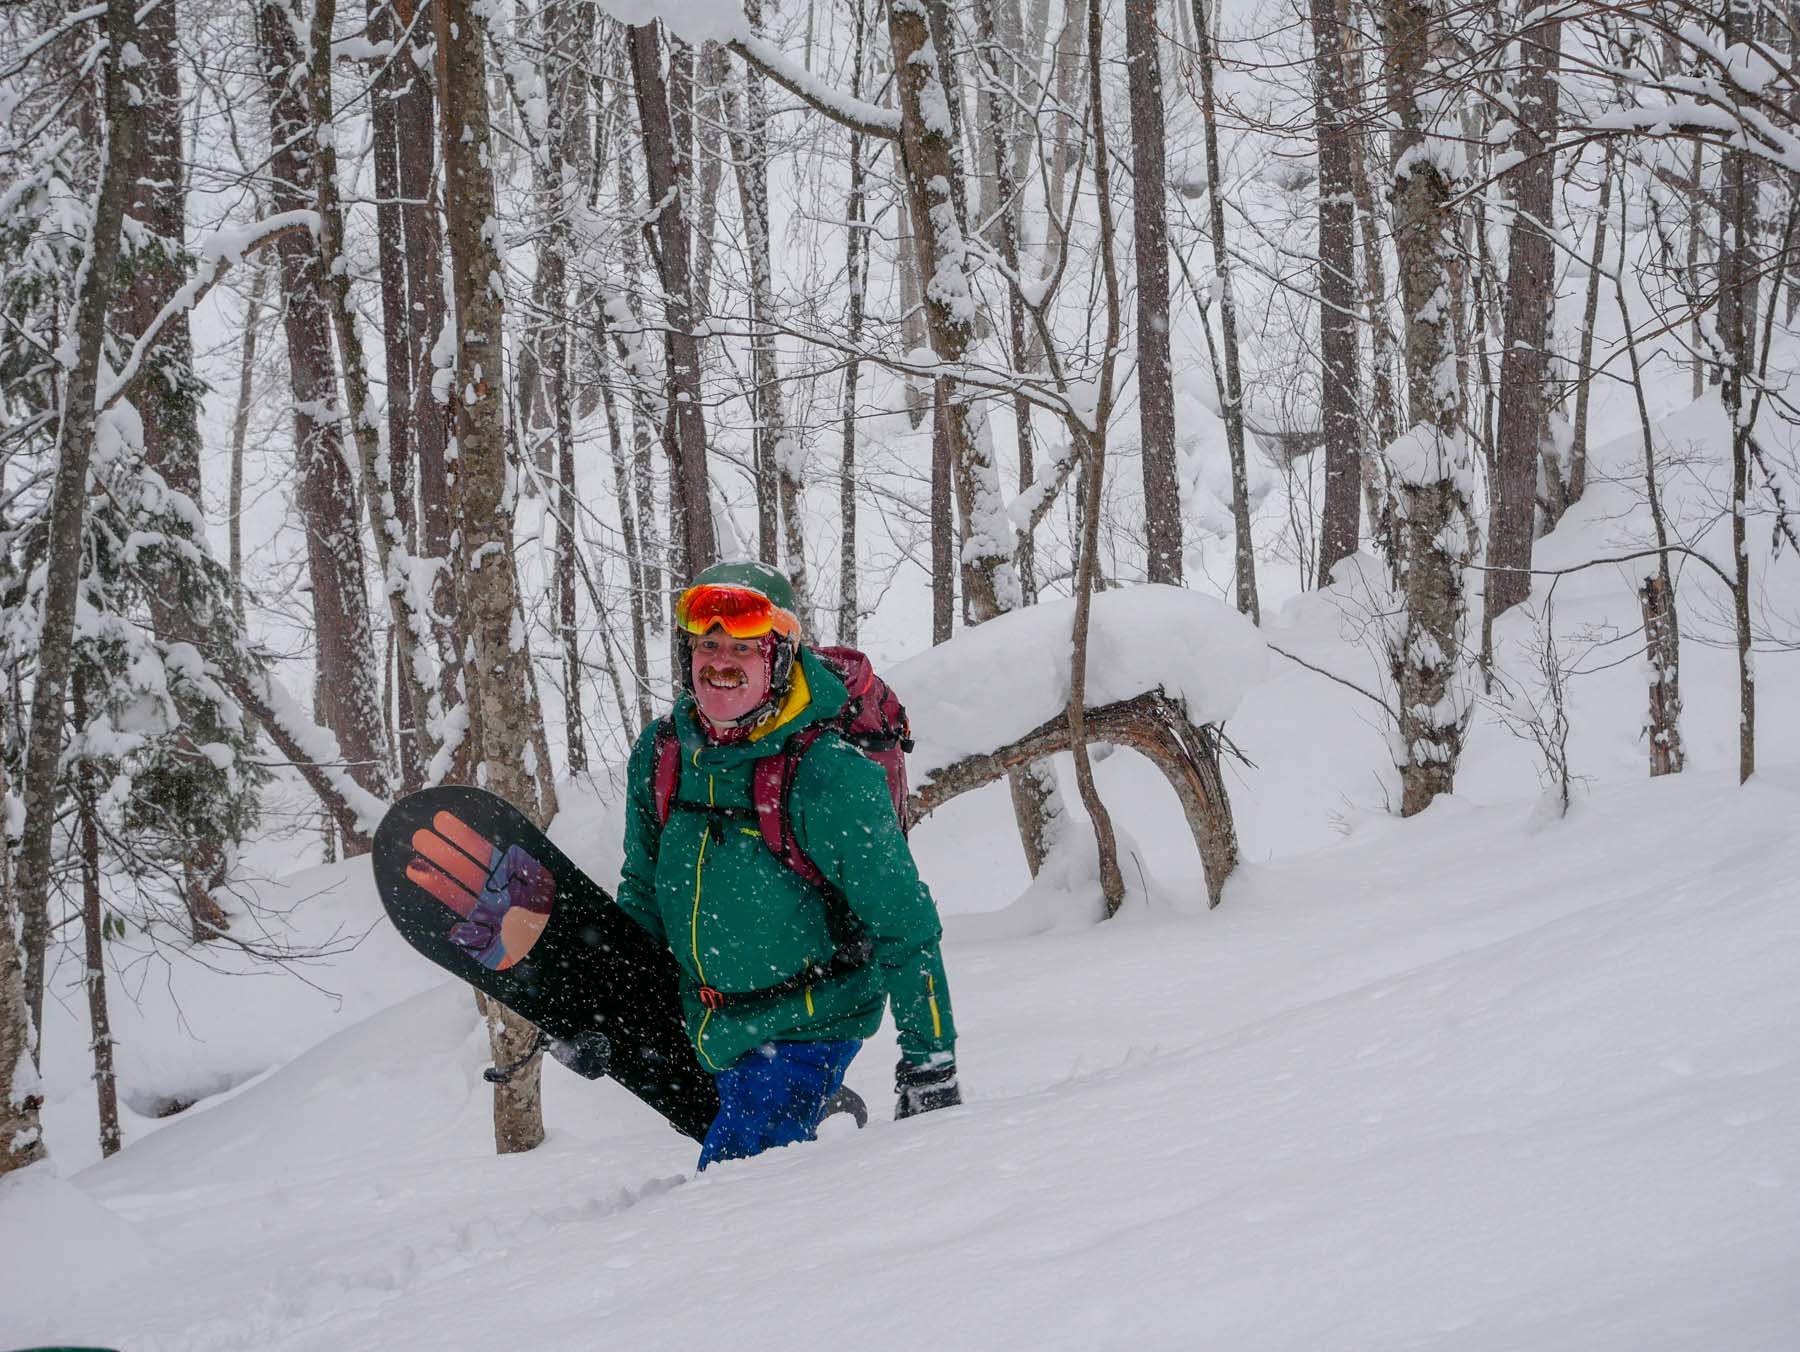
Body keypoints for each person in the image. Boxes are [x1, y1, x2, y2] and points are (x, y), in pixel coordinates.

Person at [614, 560, 962, 1169]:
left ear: (777, 658)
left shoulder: (827, 773)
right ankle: (823, 1121)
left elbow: (904, 923)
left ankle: (812, 1109)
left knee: (729, 1200)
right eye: (707, 645)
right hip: (707, 1021)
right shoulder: (662, 752)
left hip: (807, 1023)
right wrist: (613, 1012)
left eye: (743, 648)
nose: (720, 662)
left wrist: (930, 1063)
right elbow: (642, 891)